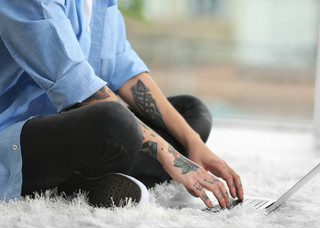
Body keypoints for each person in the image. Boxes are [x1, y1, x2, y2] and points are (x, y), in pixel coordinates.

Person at [0, 0, 243, 209]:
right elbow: (80, 89)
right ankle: (77, 180)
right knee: (116, 123)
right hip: (17, 135)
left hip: (79, 129)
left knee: (192, 113)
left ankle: (86, 178)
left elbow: (124, 68)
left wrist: (193, 143)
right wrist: (173, 157)